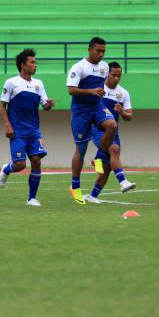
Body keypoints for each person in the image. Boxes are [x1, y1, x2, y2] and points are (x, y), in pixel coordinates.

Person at [0, 49, 54, 206]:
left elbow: (45, 106)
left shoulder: (38, 84)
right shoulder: (11, 83)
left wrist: (48, 105)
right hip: (18, 131)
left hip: (34, 130)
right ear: (23, 65)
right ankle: (6, 169)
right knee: (20, 164)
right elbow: (2, 106)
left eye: (35, 62)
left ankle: (31, 198)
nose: (35, 65)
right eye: (32, 62)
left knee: (36, 160)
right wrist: (7, 125)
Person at [66, 37, 117, 205]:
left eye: (104, 51)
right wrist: (92, 91)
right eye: (98, 51)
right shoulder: (79, 67)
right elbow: (71, 90)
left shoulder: (105, 67)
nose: (101, 54)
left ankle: (99, 157)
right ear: (89, 49)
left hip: (96, 106)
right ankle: (75, 187)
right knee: (81, 149)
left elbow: (101, 88)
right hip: (80, 112)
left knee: (112, 125)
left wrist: (100, 93)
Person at [85, 61, 136, 203]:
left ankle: (93, 196)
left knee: (107, 167)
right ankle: (123, 182)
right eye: (113, 75)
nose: (116, 78)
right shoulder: (98, 89)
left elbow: (129, 116)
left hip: (114, 131)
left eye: (119, 75)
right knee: (114, 149)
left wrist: (122, 112)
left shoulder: (123, 93)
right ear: (107, 74)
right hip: (98, 129)